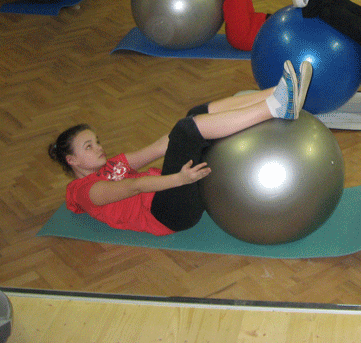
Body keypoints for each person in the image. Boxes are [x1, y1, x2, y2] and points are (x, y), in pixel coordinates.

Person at [48, 61, 313, 234]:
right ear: (72, 160)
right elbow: (135, 186)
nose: (98, 147)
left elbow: (158, 147)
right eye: (89, 146)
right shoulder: (86, 191)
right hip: (167, 215)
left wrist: (187, 126)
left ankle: (275, 93)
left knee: (190, 119)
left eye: (96, 141)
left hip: (169, 192)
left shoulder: (110, 165)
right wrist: (180, 178)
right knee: (188, 130)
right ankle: (276, 107)